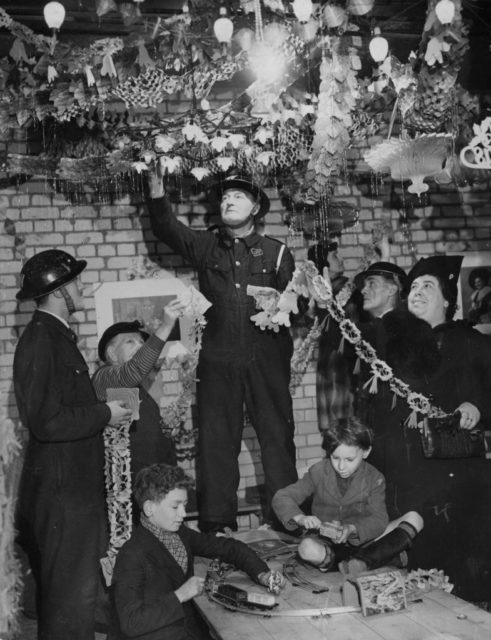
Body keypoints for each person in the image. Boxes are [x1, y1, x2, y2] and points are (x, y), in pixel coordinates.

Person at [147, 173, 298, 532]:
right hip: (217, 363)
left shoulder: (277, 252)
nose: (228, 201)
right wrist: (156, 194)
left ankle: (288, 521)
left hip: (267, 361)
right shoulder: (206, 246)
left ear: (256, 208)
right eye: (225, 196)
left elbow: (297, 308)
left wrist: (284, 307)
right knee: (216, 444)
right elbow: (167, 228)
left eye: (238, 196)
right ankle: (217, 528)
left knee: (277, 442)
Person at [13, 249, 133, 640]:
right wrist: (104, 414)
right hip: (63, 497)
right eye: (75, 283)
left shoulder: (55, 337)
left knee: (75, 599)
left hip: (72, 493)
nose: (81, 289)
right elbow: (46, 422)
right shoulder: (40, 340)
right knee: (70, 602)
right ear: (60, 291)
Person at [362, 254, 491, 602]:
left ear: (448, 299)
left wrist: (477, 407)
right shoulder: (394, 346)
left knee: (464, 570)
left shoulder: (474, 342)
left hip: (458, 474)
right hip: (407, 472)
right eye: (414, 287)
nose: (417, 292)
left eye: (427, 286)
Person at [110, 463, 285, 640]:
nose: (183, 514)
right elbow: (131, 623)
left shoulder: (178, 533)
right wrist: (180, 595)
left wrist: (262, 574)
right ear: (149, 508)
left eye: (184, 505)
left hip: (186, 630)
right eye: (175, 506)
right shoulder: (131, 554)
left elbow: (229, 548)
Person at [272, 417, 423, 575]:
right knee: (306, 548)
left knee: (415, 518)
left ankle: (359, 562)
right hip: (327, 544)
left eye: (350, 459)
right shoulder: (318, 472)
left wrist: (351, 529)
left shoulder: (374, 477)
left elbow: (379, 519)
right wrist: (300, 518)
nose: (341, 466)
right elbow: (282, 497)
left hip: (363, 542)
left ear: (366, 452)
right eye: (335, 458)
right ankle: (369, 561)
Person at [92, 297, 187, 480]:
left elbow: (143, 438)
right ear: (111, 353)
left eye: (141, 343)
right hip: (129, 490)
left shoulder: (134, 386)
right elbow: (133, 371)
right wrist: (166, 326)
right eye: (130, 342)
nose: (139, 347)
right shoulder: (105, 377)